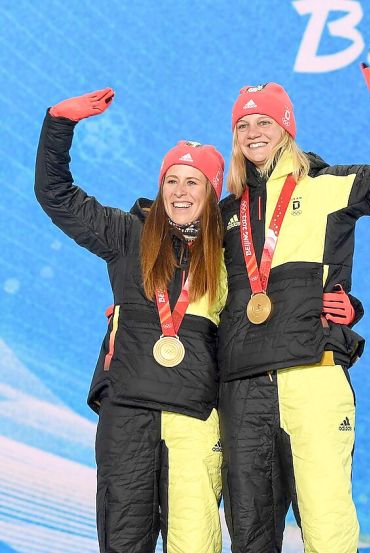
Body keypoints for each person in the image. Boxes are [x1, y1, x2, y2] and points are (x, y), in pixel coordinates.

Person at [218, 42, 370, 551]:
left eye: (264, 123)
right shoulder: (225, 214)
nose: (254, 133)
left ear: (286, 128)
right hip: (244, 387)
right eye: (243, 126)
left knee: (327, 527)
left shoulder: (330, 186)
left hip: (312, 376)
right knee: (250, 535)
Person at [35, 88, 227, 553]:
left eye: (193, 182)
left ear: (213, 191)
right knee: (123, 541)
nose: (180, 192)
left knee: (196, 544)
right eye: (172, 181)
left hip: (198, 417)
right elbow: (55, 194)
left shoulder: (233, 255)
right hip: (128, 414)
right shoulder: (128, 234)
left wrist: (346, 310)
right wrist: (60, 123)